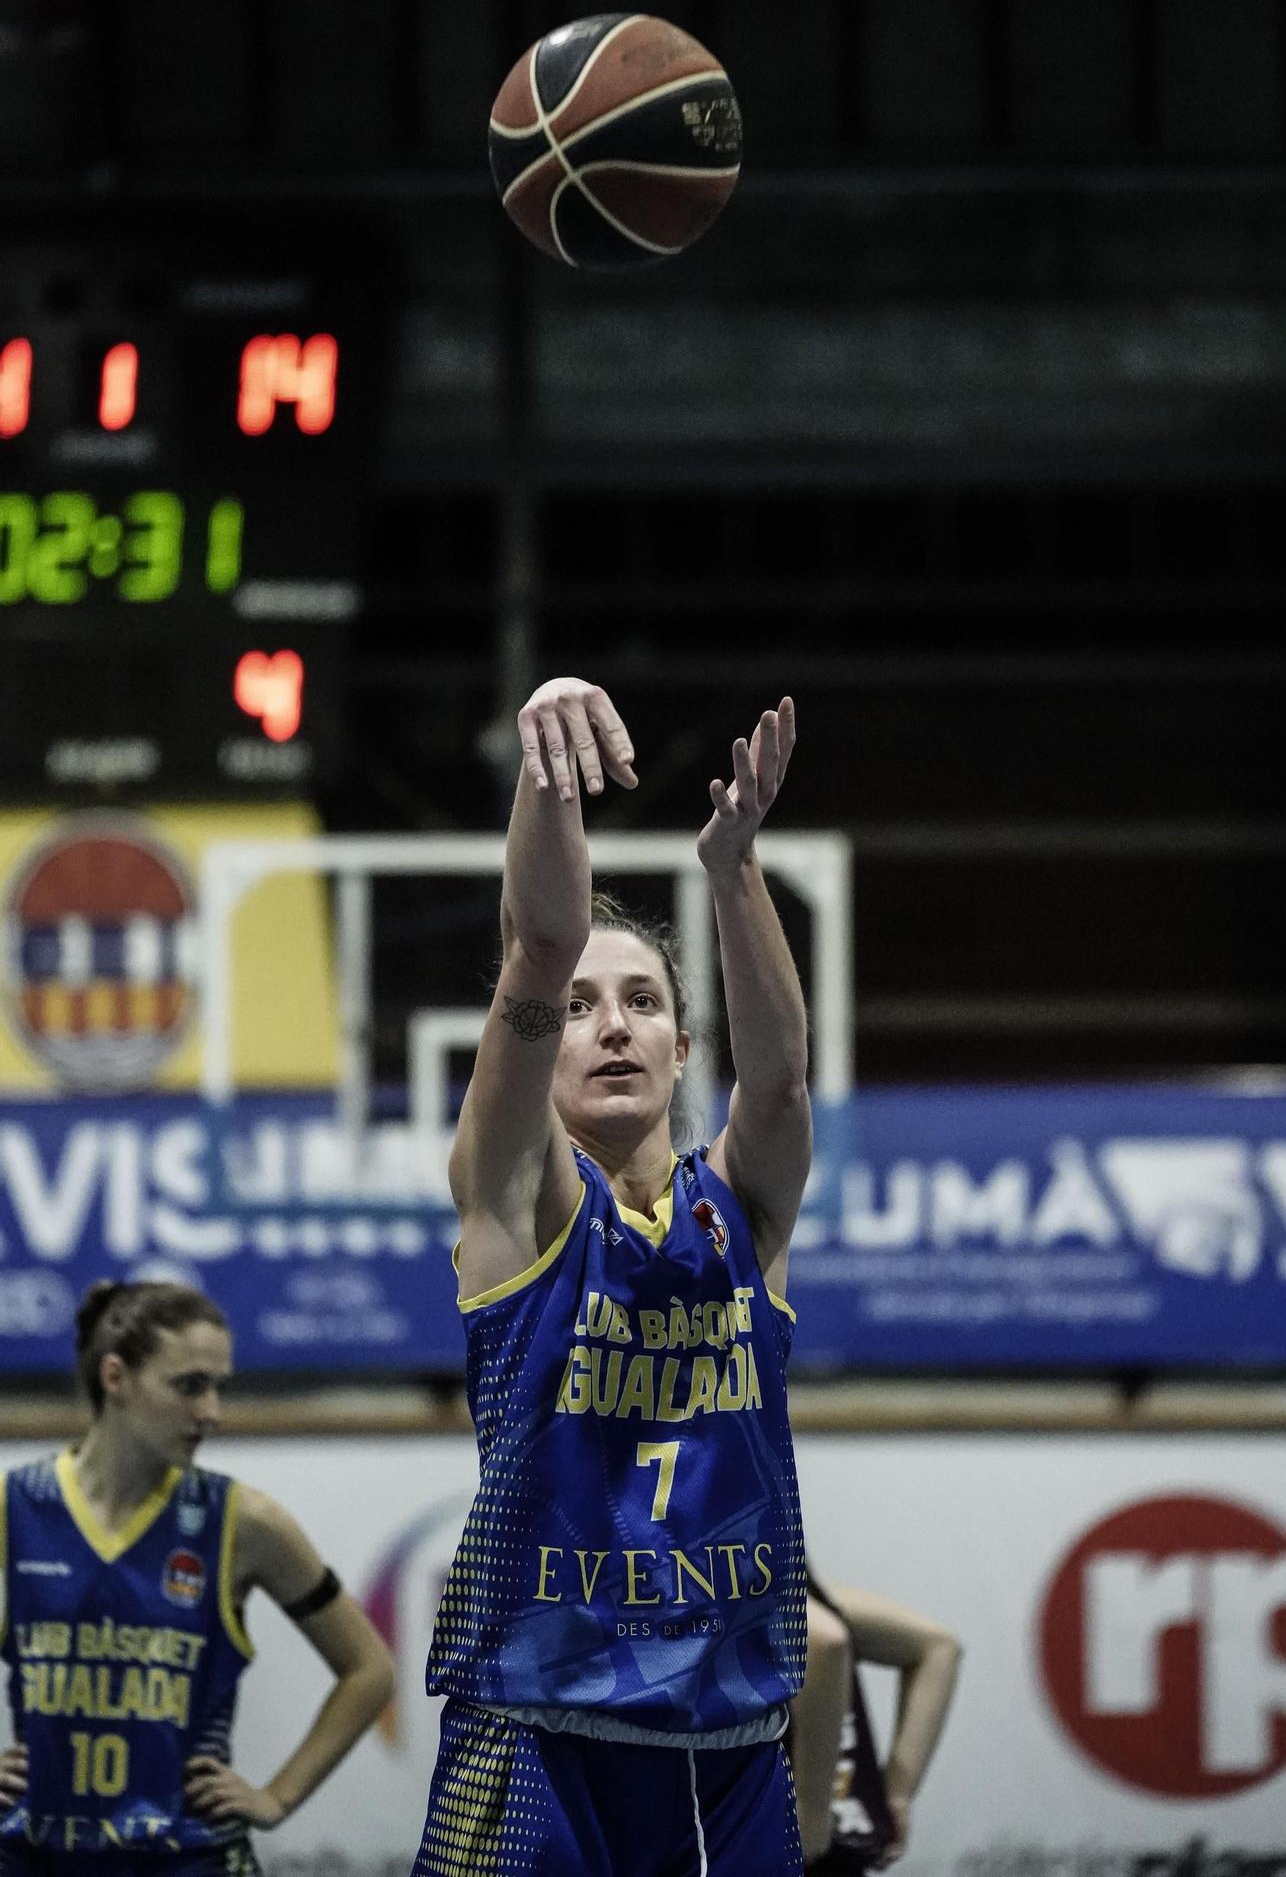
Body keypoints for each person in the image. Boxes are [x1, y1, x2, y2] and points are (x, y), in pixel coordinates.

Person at [414, 676, 812, 1877]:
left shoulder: (737, 1207)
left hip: (729, 1728)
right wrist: (547, 770)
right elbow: (537, 943)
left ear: (684, 1046)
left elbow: (783, 1083)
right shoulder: (518, 1194)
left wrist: (734, 866)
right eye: (582, 1008)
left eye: (642, 1000)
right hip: (537, 1723)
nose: (613, 1024)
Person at [0, 1279, 394, 1875]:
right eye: (189, 1386)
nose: (211, 1411)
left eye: (217, 1387)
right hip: (37, 1854)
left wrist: (276, 1797)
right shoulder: (17, 1507)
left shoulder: (247, 1522)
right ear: (116, 1378)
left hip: (188, 1856)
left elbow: (369, 1669)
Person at [788, 1573, 962, 1874]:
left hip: (791, 1849)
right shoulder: (821, 1599)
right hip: (835, 1836)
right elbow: (939, 1647)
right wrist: (897, 1796)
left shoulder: (755, 1604)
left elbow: (824, 1640)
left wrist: (811, 1817)